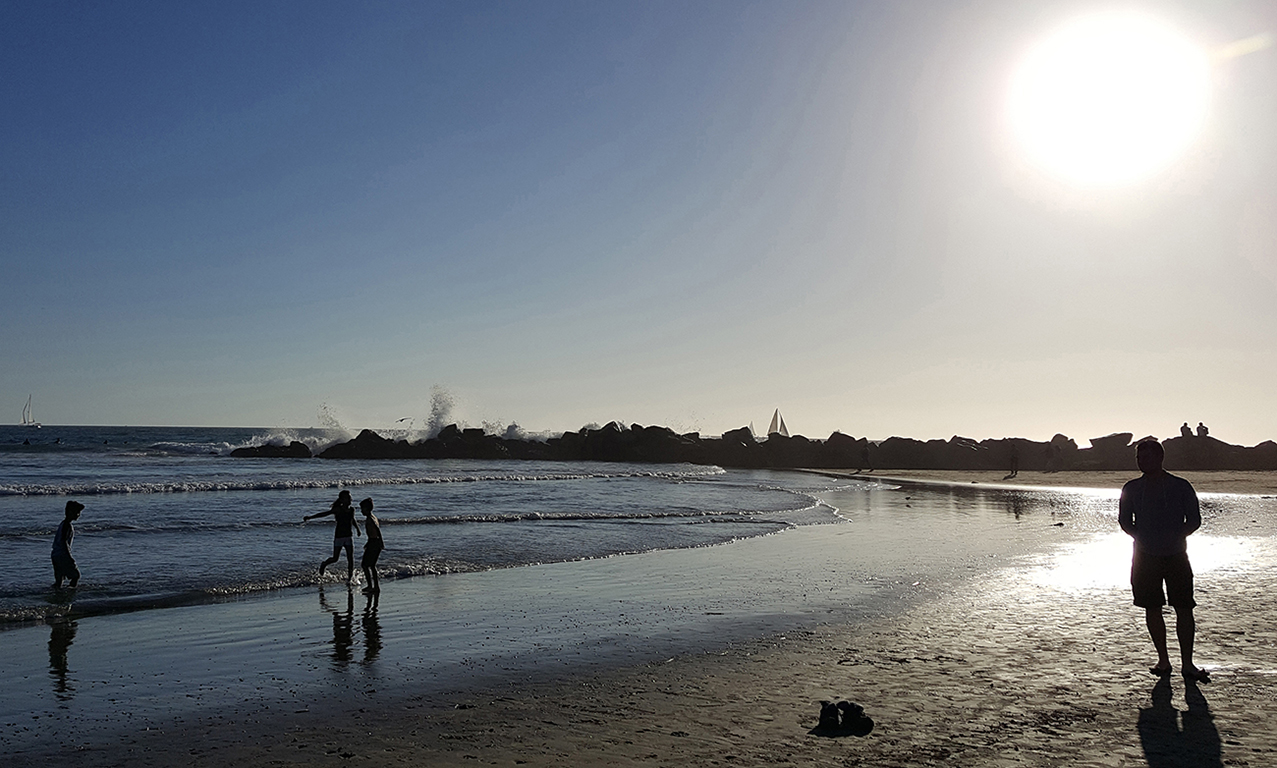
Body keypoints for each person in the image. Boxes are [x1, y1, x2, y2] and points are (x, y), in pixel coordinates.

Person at [1118, 440, 1208, 681]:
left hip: (1176, 555)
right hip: (1144, 556)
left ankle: (1187, 663)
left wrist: (1177, 535)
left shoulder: (1180, 486)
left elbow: (1195, 519)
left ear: (1160, 458)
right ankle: (1163, 660)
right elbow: (1125, 520)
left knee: (1184, 607)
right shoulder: (1132, 488)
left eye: (1147, 457)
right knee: (1151, 607)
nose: (1142, 462)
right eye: (1139, 458)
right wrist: (1141, 535)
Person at [304, 490, 361, 581]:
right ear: (342, 500)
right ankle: (324, 564)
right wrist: (310, 517)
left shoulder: (352, 510)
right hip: (339, 537)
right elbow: (324, 514)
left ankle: (350, 578)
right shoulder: (338, 509)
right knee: (335, 558)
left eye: (350, 497)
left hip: (349, 536)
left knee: (350, 558)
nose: (350, 499)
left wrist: (357, 529)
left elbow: (352, 520)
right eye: (348, 498)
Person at [52, 501, 84, 589]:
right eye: (77, 512)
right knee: (76, 575)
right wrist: (69, 557)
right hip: (63, 555)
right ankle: (70, 592)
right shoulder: (67, 526)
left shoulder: (63, 524)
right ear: (70, 512)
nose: (79, 515)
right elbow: (63, 541)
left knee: (59, 579)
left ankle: (56, 594)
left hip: (55, 554)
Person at [358, 497, 384, 594]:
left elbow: (377, 530)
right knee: (371, 565)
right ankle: (375, 586)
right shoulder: (373, 517)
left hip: (374, 542)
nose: (361, 511)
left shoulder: (370, 519)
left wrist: (380, 541)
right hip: (373, 541)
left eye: (362, 509)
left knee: (365, 565)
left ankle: (371, 586)